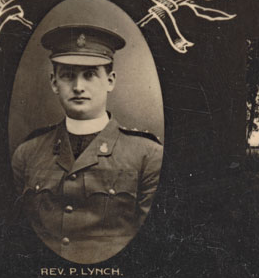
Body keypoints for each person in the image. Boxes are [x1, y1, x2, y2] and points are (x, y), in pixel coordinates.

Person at [11, 24, 163, 264]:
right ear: (54, 82)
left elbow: (152, 246)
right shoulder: (27, 153)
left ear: (110, 81)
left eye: (90, 74)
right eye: (68, 75)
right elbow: (16, 238)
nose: (78, 87)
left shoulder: (148, 155)